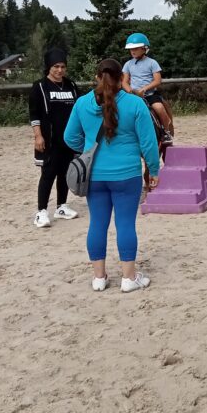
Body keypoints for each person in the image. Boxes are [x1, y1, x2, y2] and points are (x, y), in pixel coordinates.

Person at [64, 59, 160, 292]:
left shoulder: (82, 103)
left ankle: (99, 277)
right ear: (121, 79)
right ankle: (128, 278)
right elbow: (148, 143)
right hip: (126, 174)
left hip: (94, 175)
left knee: (97, 223)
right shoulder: (136, 104)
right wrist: (154, 169)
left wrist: (88, 148)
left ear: (97, 77)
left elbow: (69, 138)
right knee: (125, 223)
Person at [29, 47, 80, 228]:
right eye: (56, 66)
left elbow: (79, 110)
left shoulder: (71, 85)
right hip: (49, 140)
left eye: (63, 67)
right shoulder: (40, 87)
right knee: (48, 174)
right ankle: (41, 211)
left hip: (69, 139)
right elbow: (34, 115)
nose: (60, 70)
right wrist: (38, 136)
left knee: (65, 174)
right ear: (49, 67)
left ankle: (61, 207)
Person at [121, 32, 173, 144]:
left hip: (150, 95)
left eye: (136, 48)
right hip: (133, 96)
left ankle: (166, 132)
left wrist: (144, 89)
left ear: (144, 48)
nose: (133, 51)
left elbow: (157, 80)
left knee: (159, 108)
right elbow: (124, 81)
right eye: (131, 49)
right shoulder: (128, 64)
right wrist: (129, 90)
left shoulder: (152, 63)